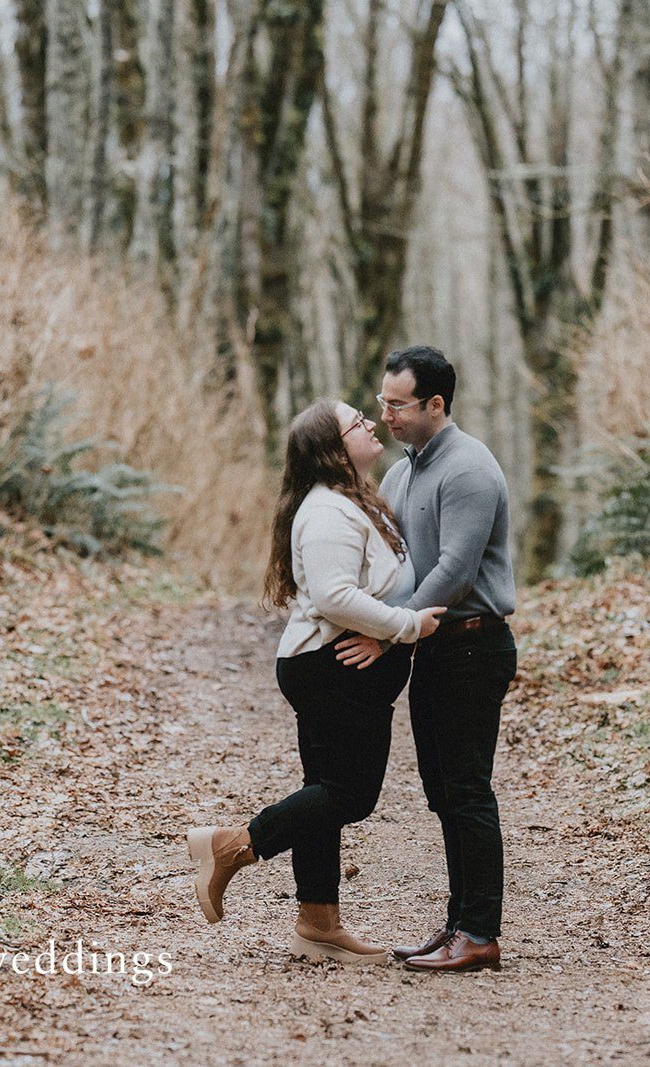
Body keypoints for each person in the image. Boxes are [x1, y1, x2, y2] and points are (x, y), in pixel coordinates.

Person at [185, 399, 446, 964]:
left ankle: (317, 922)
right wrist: (406, 627)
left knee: (323, 792)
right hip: (331, 669)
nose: (371, 424)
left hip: (340, 668)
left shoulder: (356, 502)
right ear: (333, 448)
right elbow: (334, 596)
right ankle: (231, 846)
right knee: (349, 795)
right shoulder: (328, 510)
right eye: (357, 422)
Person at [335, 345, 517, 974]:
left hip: (472, 643)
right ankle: (457, 926)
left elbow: (453, 571)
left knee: (466, 789)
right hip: (433, 647)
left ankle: (481, 933)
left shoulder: (468, 469)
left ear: (436, 404)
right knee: (443, 792)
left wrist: (386, 633)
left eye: (397, 404)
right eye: (381, 401)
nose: (384, 414)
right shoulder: (404, 470)